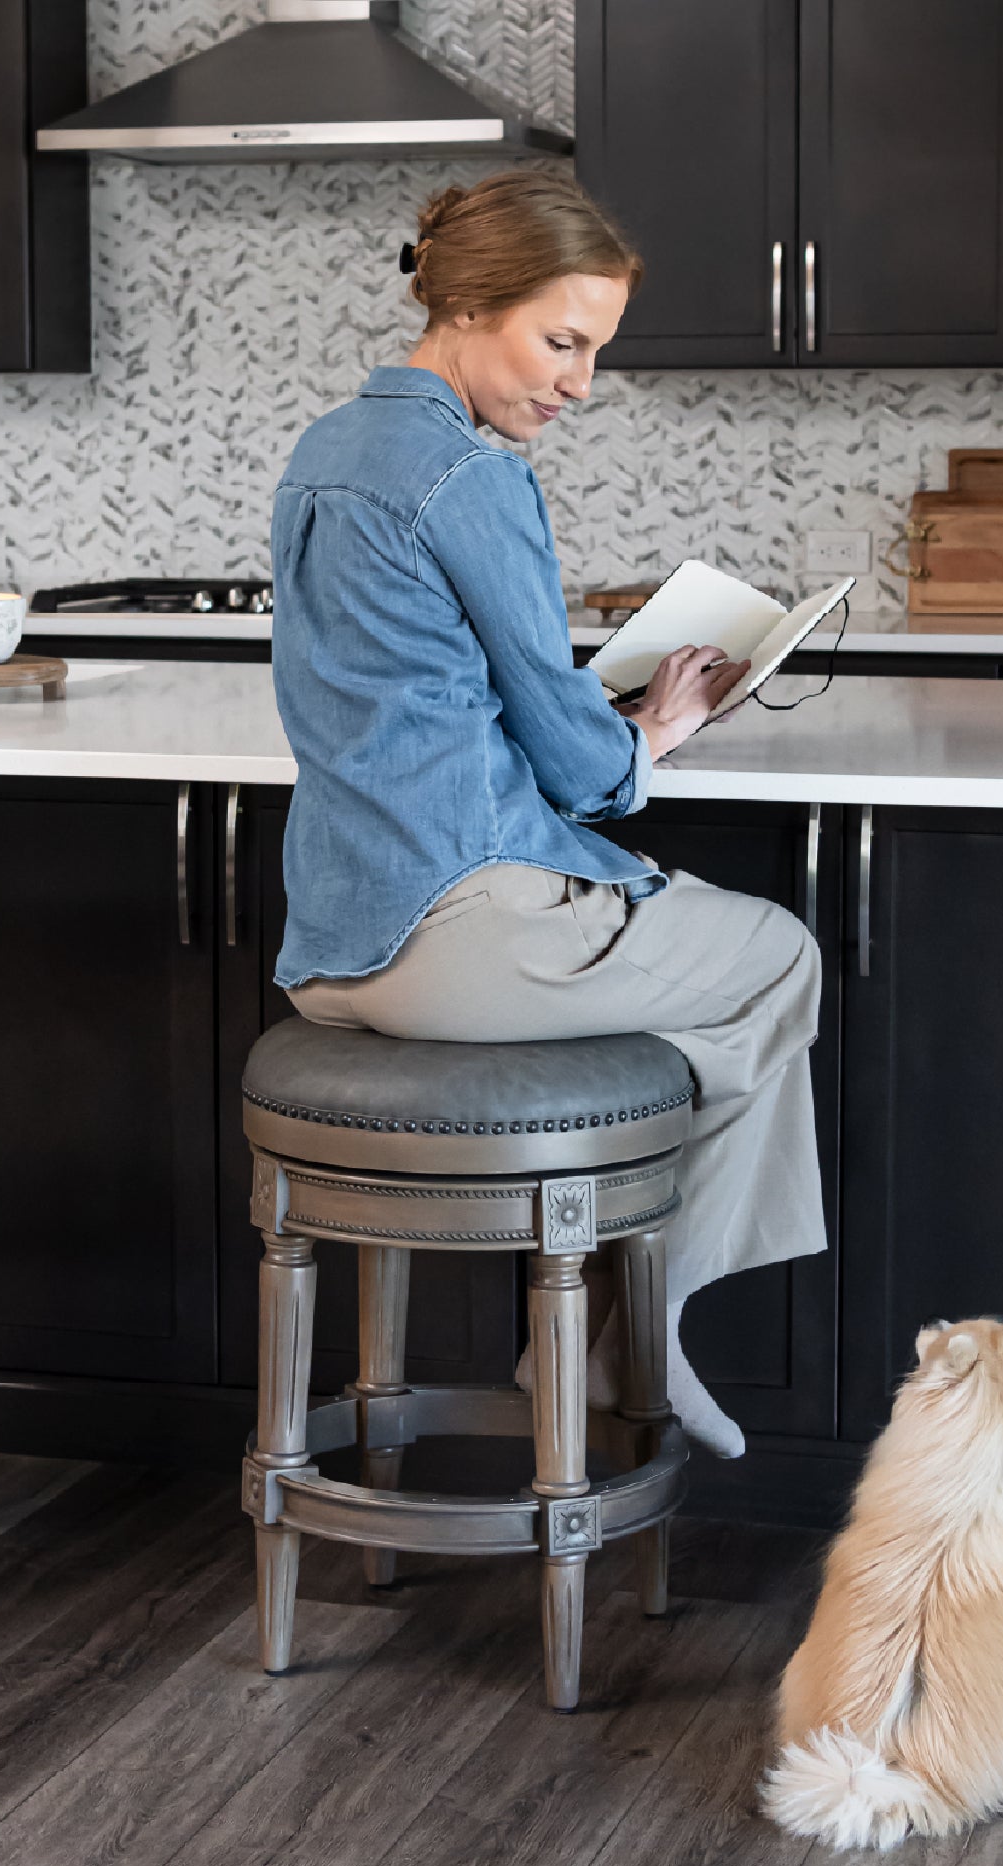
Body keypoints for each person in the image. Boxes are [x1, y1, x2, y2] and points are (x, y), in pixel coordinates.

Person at [268, 169, 823, 1457]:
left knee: (709, 990)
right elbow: (581, 770)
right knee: (774, 959)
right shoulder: (471, 473)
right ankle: (638, 1324)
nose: (576, 384)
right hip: (459, 935)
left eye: (592, 352)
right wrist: (660, 728)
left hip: (334, 945)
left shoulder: (327, 450)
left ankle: (608, 1312)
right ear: (466, 304)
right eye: (560, 342)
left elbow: (437, 691)